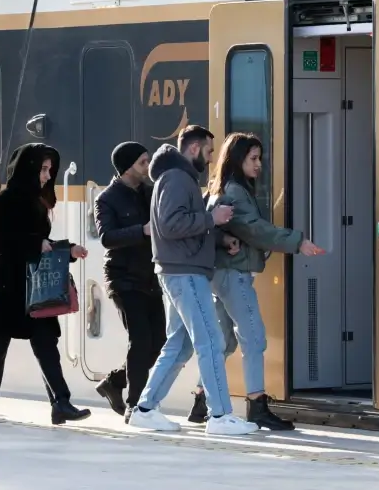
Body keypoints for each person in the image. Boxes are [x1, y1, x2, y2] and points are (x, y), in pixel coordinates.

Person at [128, 125, 258, 435]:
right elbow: (173, 225)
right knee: (210, 340)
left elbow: (178, 227)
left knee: (180, 343)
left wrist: (218, 238)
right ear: (195, 149)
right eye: (210, 151)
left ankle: (145, 408)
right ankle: (220, 415)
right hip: (185, 272)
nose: (212, 159)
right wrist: (212, 219)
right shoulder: (177, 178)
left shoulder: (173, 177)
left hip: (177, 270)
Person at [187, 132, 323, 430]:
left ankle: (200, 400)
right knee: (254, 337)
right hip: (233, 274)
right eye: (253, 158)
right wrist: (297, 241)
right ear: (238, 160)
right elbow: (255, 230)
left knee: (223, 341)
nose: (259, 164)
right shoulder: (236, 192)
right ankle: (257, 404)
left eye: (259, 158)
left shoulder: (223, 188)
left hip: (220, 274)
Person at [0, 143, 92, 425]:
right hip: (8, 284)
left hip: (36, 284)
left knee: (47, 343)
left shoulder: (38, 201)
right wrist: (36, 243)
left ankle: (61, 402)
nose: (48, 175)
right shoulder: (6, 200)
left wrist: (67, 250)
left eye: (50, 169)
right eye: (43, 169)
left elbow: (40, 243)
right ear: (29, 168)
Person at [93, 142, 166, 421]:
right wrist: (143, 230)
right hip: (123, 278)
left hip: (151, 276)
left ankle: (115, 381)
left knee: (159, 341)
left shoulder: (151, 192)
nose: (148, 167)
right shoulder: (107, 198)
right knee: (140, 340)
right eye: (142, 162)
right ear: (126, 167)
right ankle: (135, 406)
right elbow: (107, 238)